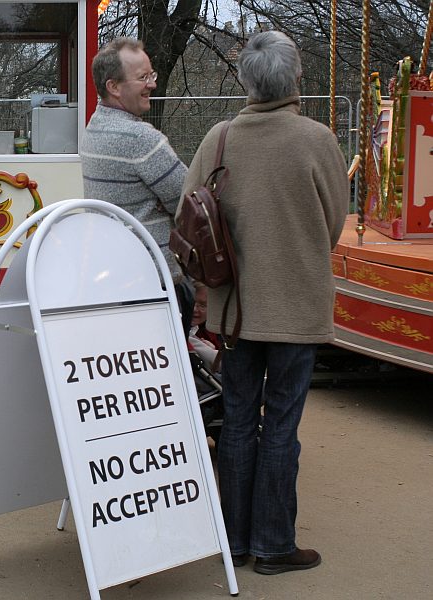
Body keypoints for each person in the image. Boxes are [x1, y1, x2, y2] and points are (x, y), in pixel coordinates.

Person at [178, 31, 349, 575]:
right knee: (280, 426)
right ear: (295, 77)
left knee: (237, 419)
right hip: (297, 306)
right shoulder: (317, 139)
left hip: (235, 311)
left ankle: (235, 542)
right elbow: (335, 225)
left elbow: (190, 216)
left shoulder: (220, 138)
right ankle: (275, 546)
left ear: (245, 81)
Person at [80, 38, 188, 280]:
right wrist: (162, 202)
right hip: (154, 281)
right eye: (142, 78)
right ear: (114, 87)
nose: (152, 85)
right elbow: (188, 202)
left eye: (152, 75)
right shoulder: (140, 138)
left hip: (114, 270)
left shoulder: (95, 125)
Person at [188, 281, 221, 370]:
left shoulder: (215, 331)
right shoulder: (177, 332)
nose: (195, 309)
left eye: (202, 305)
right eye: (192, 302)